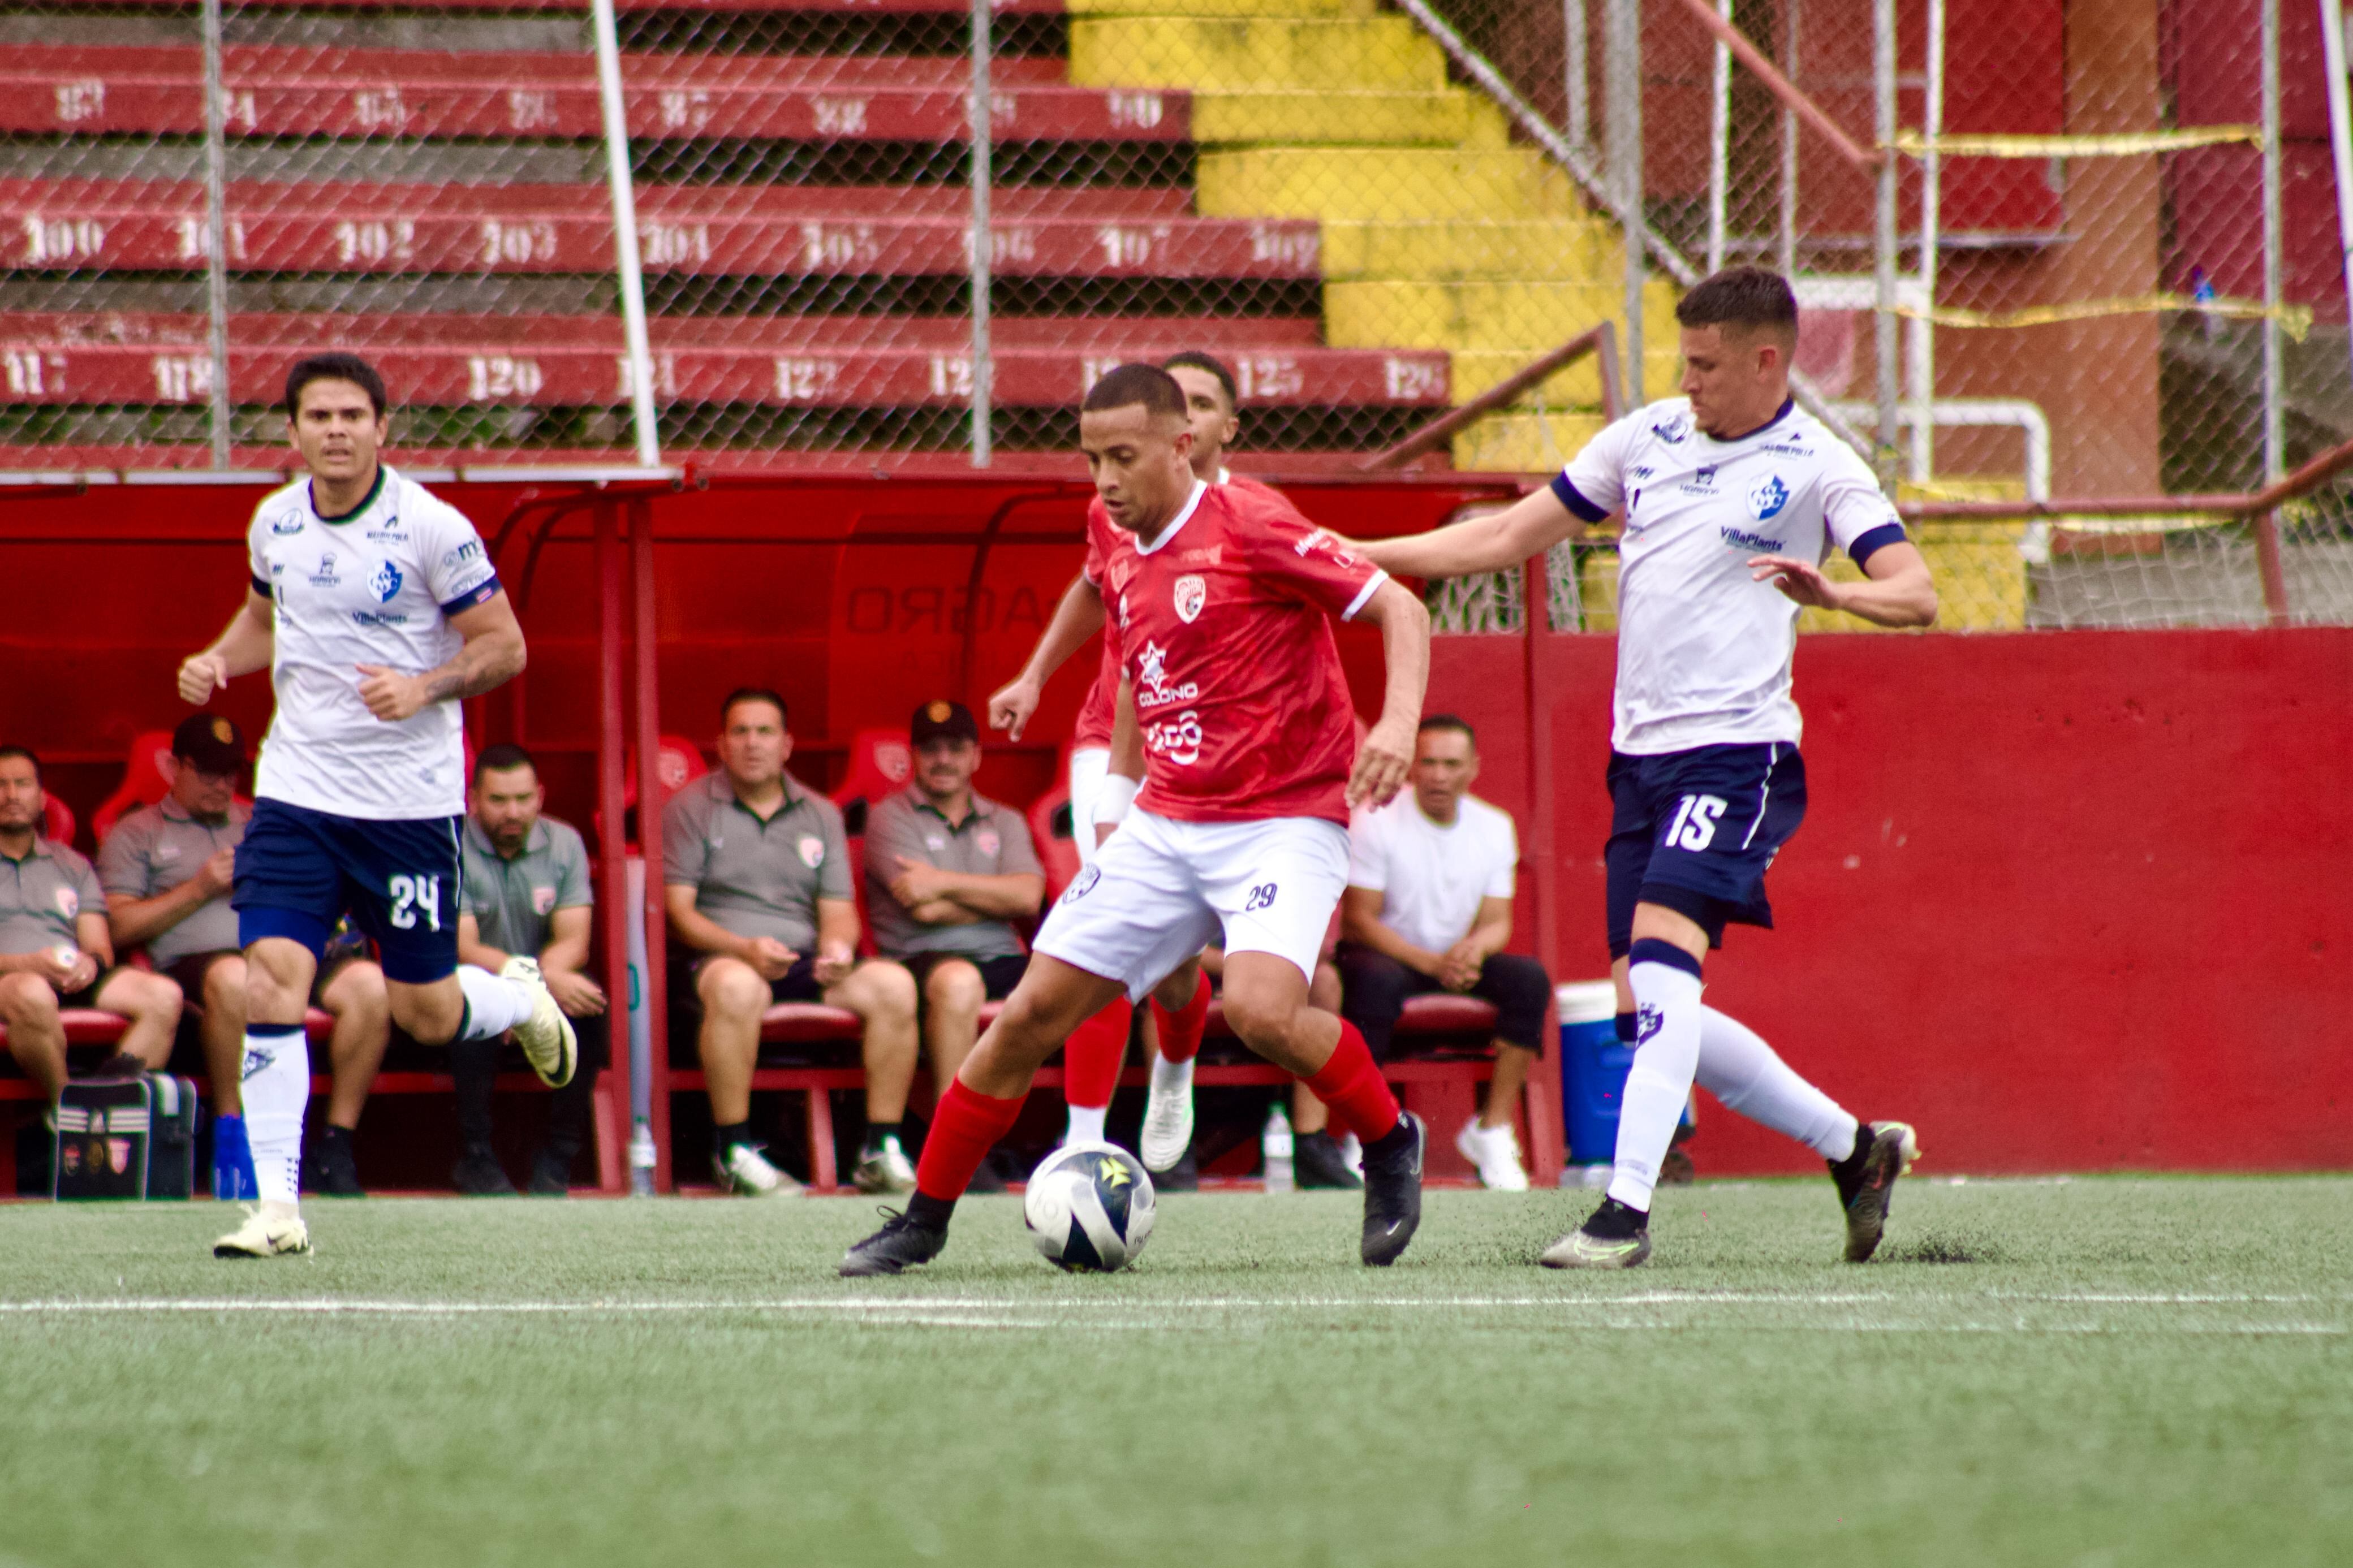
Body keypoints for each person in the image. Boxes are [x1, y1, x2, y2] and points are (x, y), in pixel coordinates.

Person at [1348, 266, 1934, 1268]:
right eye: (1682, 360)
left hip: (1738, 753)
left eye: (1707, 366)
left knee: (1664, 965)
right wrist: (1345, 552)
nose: (1688, 381)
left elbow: (1916, 592)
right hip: (1641, 761)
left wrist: (1834, 594)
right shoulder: (1647, 438)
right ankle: (1855, 1149)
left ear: (1766, 360)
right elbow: (1501, 536)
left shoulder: (1817, 465)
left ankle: (1624, 1211)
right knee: (1654, 1009)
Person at [841, 362, 1433, 1276]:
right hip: (1169, 817)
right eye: (1091, 460)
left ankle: (1391, 1144)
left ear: (1181, 444)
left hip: (1283, 815)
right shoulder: (1109, 530)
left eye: (1123, 457)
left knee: (1267, 1011)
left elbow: (1398, 603)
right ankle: (922, 1219)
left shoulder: (1253, 523)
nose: (1106, 480)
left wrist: (1394, 725)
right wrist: (1069, 724)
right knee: (1029, 1012)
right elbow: (1114, 624)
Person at [176, 352, 576, 1260]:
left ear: (383, 427)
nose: (336, 430)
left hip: (407, 807)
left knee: (426, 1011)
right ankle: (278, 1211)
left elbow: (504, 645)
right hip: (297, 794)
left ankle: (514, 1000)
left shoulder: (432, 528)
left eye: (353, 414)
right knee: (271, 972)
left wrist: (426, 685)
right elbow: (264, 620)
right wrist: (215, 661)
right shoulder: (275, 520)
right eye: (318, 416)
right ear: (293, 430)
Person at [100, 711, 393, 1199]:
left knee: (370, 986)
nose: (222, 784)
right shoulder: (137, 832)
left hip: (288, 946)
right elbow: (118, 925)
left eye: (231, 772)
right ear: (175, 767)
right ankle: (235, 1134)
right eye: (208, 772)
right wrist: (200, 888)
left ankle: (336, 1143)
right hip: (201, 959)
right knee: (239, 978)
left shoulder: (265, 822)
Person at [664, 688, 920, 1197]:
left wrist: (839, 951)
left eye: (765, 732)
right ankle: (734, 1151)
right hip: (722, 959)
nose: (752, 743)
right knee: (738, 988)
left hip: (801, 961)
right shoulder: (691, 807)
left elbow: (838, 913)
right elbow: (679, 913)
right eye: (740, 731)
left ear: (787, 744)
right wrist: (743, 949)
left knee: (894, 985)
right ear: (721, 743)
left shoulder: (819, 812)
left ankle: (880, 1148)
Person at [1338, 715, 1550, 1191]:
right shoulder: (1376, 818)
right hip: (1387, 955)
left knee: (1529, 980)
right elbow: (1360, 921)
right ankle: (1368, 1132)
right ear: (1412, 766)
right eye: (1428, 762)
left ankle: (1491, 1129)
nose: (1438, 775)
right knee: (1373, 981)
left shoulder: (1495, 826)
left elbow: (1498, 922)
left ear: (1473, 767)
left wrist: (1474, 950)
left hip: (1450, 961)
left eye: (1451, 763)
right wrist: (1433, 963)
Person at [863, 700, 1044, 1187]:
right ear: (914, 756)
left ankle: (1087, 1132)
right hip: (921, 957)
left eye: (956, 748)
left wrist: (941, 882)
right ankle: (956, 1145)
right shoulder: (889, 816)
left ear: (976, 756)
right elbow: (922, 908)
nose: (944, 758)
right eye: (931, 748)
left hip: (1004, 956)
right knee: (960, 982)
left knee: (1082, 977)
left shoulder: (1003, 819)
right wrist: (995, 897)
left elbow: (1028, 894)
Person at [452, 743, 607, 1196]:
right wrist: (520, 993)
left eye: (523, 798)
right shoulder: (451, 843)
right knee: (472, 1002)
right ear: (474, 799)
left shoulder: (564, 842)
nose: (513, 811)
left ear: (540, 796)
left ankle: (559, 1158)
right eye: (498, 800)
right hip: (477, 979)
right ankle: (476, 1156)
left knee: (591, 1005)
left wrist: (532, 989)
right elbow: (464, 947)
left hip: (544, 979)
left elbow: (574, 941)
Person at [0, 746, 184, 1098]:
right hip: (12, 982)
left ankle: (109, 1104)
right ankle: (67, 1111)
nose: (11, 795)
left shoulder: (73, 864)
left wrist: (89, 963)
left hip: (68, 978)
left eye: (22, 784)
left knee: (164, 995)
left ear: (41, 798)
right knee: (32, 992)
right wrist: (28, 964)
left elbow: (100, 947)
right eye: (2, 785)